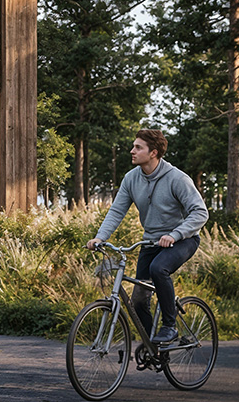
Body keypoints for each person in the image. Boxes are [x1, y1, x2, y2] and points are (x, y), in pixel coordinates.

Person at [86, 128, 208, 346]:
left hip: (183, 240)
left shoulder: (177, 178)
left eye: (138, 147)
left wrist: (175, 234)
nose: (132, 151)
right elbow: (117, 211)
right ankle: (154, 346)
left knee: (158, 269)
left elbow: (200, 212)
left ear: (153, 153)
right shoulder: (131, 179)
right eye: (133, 146)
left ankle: (169, 327)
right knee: (139, 300)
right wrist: (100, 237)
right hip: (151, 242)